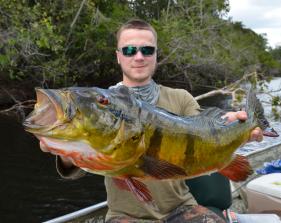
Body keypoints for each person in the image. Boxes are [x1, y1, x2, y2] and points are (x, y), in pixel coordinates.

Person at [40, 19, 263, 222]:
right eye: (129, 50)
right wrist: (65, 149)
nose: (138, 56)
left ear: (156, 54)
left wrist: (237, 126)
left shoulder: (180, 98)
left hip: (182, 209)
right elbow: (79, 166)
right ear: (118, 56)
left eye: (147, 50)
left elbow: (206, 132)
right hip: (124, 215)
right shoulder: (103, 103)